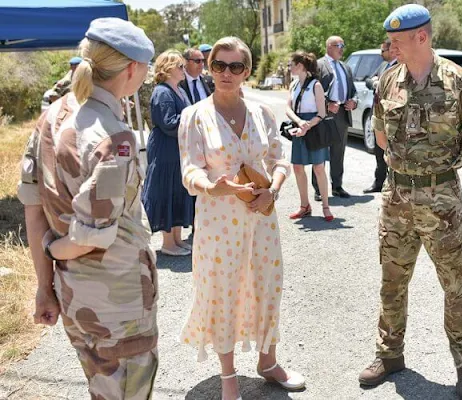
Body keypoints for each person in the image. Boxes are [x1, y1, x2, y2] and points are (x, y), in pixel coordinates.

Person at [18, 17, 159, 399]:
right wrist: (53, 248)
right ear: (132, 69)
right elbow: (89, 236)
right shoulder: (114, 137)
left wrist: (44, 286)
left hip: (73, 295)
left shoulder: (52, 115)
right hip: (116, 307)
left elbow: (34, 208)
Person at [358, 5, 462, 398]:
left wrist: (443, 172)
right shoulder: (387, 81)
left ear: (422, 37)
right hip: (396, 198)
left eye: (396, 41)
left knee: (456, 283)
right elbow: (381, 138)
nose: (390, 47)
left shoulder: (458, 81)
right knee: (392, 280)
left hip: (443, 203)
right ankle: (389, 353)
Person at [177, 36, 305, 400]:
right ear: (209, 68)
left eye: (235, 67)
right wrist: (215, 186)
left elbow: (280, 158)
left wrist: (274, 189)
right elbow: (190, 171)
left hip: (261, 220)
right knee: (223, 292)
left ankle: (268, 362)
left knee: (266, 286)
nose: (226, 73)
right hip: (218, 224)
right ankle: (228, 376)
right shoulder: (195, 116)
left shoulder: (262, 113)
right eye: (219, 65)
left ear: (246, 71)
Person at [142, 50, 194, 256]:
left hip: (177, 150)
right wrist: (190, 115)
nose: (184, 69)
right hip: (165, 150)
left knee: (178, 191)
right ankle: (168, 243)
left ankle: (177, 239)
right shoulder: (162, 92)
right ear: (168, 69)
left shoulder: (178, 89)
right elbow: (169, 123)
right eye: (180, 66)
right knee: (166, 191)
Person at [285, 51, 334, 221]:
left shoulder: (316, 85)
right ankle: (304, 206)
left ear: (301, 66)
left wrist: (307, 125)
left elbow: (321, 113)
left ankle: (326, 207)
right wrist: (299, 123)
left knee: (318, 168)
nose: (289, 67)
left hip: (315, 128)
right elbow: (288, 108)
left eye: (292, 64)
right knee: (297, 167)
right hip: (300, 126)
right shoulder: (293, 85)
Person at [311, 35, 358, 200]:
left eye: (343, 45)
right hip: (324, 116)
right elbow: (311, 91)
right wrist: (326, 104)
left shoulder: (346, 68)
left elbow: (353, 91)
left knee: (338, 153)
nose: (342, 48)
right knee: (321, 153)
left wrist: (354, 102)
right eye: (340, 45)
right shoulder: (318, 65)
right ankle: (318, 190)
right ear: (330, 46)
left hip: (342, 115)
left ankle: (337, 186)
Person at [364, 38, 398, 194]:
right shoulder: (384, 66)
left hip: (392, 115)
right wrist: (374, 83)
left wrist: (380, 84)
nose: (380, 53)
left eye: (383, 50)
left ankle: (393, 185)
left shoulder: (400, 67)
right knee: (379, 150)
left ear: (391, 50)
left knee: (393, 150)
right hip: (378, 114)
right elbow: (368, 80)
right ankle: (379, 183)